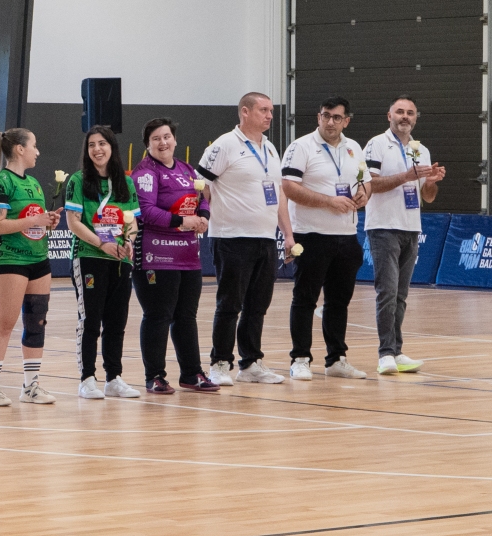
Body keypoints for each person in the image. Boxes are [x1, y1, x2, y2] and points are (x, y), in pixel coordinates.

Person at [198, 92, 295, 385]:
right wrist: (212, 212)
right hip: (231, 238)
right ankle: (219, 363)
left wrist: (287, 234)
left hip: (265, 238)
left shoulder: (271, 148)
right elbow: (200, 184)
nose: (270, 115)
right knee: (230, 304)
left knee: (257, 305)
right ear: (245, 112)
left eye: (271, 111)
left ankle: (251, 362)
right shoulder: (225, 144)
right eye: (263, 110)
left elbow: (279, 194)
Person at [280, 96, 371, 380]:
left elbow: (366, 182)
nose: (330, 122)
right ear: (318, 117)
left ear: (346, 121)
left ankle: (336, 359)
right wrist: (328, 201)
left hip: (346, 236)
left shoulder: (354, 147)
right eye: (326, 116)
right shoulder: (301, 147)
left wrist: (364, 194)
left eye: (336, 117)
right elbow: (289, 187)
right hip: (311, 235)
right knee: (305, 299)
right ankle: (300, 358)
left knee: (338, 302)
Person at [132, 118, 217, 394]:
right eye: (156, 138)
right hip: (156, 255)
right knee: (158, 315)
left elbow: (202, 198)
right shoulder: (145, 172)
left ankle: (192, 373)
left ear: (175, 140)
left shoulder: (186, 169)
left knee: (186, 316)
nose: (163, 142)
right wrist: (182, 220)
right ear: (148, 144)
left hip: (188, 256)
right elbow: (146, 211)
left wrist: (203, 217)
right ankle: (155, 376)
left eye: (167, 136)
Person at [363, 96, 446, 375]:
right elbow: (370, 184)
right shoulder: (376, 144)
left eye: (410, 113)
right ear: (389, 116)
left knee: (400, 295)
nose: (405, 117)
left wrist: (430, 182)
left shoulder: (421, 150)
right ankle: (385, 353)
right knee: (386, 292)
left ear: (416, 117)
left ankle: (397, 351)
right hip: (383, 227)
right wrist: (406, 176)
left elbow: (428, 197)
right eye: (400, 112)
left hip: (411, 228)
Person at [0, 128, 59, 406]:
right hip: (10, 260)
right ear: (20, 149)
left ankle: (31, 386)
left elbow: (32, 222)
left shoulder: (34, 184)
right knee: (5, 323)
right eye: (34, 145)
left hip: (39, 259)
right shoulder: (1, 183)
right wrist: (34, 220)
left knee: (36, 321)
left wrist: (48, 222)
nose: (37, 151)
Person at [62, 126, 140, 399]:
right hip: (89, 257)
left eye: (102, 143)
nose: (97, 149)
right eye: (92, 145)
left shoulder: (126, 182)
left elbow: (132, 222)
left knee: (117, 321)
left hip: (119, 259)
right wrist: (101, 243)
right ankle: (87, 379)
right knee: (90, 319)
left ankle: (114, 378)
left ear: (112, 147)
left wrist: (129, 241)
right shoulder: (78, 180)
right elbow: (73, 223)